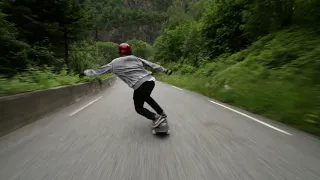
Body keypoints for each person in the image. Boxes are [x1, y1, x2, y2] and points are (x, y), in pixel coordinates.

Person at [80, 43, 172, 128]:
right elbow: (151, 64)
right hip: (150, 81)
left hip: (140, 85)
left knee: (139, 108)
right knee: (146, 97)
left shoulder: (114, 63)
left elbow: (99, 71)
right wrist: (165, 70)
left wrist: (85, 72)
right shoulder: (135, 58)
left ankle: (156, 117)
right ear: (130, 51)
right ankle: (161, 113)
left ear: (119, 52)